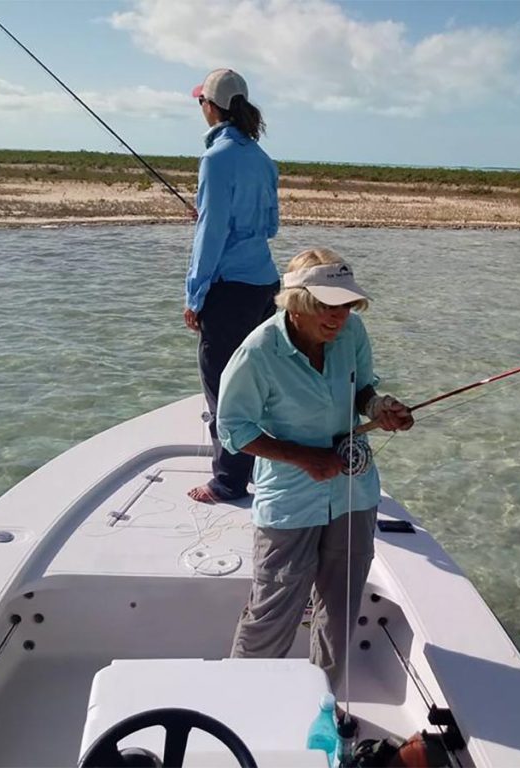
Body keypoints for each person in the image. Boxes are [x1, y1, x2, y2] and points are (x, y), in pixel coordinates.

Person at [215, 248, 414, 690]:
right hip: (290, 500)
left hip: (353, 494)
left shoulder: (353, 332)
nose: (339, 316)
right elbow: (233, 429)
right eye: (327, 304)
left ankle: (321, 704)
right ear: (297, 302)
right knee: (272, 610)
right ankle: (240, 705)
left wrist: (380, 408)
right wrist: (304, 457)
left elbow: (363, 389)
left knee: (341, 610)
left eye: (346, 304)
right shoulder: (257, 353)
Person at [184, 68, 280, 504]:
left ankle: (227, 481)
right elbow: (271, 226)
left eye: (200, 101)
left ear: (211, 106)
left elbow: (211, 236)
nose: (200, 108)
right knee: (255, 382)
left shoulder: (215, 159)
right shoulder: (262, 159)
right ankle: (260, 464)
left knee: (222, 386)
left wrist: (194, 295)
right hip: (266, 284)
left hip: (230, 289)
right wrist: (215, 217)